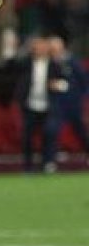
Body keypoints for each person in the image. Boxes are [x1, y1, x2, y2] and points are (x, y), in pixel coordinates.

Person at [16, 35, 64, 173]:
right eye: (37, 47)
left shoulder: (55, 65)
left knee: (49, 134)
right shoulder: (26, 64)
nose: (40, 50)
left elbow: (65, 83)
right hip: (30, 105)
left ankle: (48, 163)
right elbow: (12, 65)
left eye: (42, 47)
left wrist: (57, 85)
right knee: (27, 137)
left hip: (48, 106)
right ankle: (28, 166)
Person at [47, 35, 89, 164]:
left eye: (55, 48)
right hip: (57, 105)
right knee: (53, 131)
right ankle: (50, 161)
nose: (54, 51)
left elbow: (83, 81)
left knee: (81, 131)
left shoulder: (72, 61)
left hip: (73, 104)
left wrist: (80, 99)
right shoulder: (49, 63)